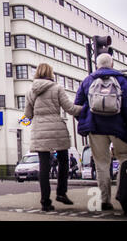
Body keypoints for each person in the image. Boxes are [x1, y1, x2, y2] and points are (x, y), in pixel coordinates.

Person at [74, 53, 127, 211]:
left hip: (95, 128)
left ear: (97, 64)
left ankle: (104, 200)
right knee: (125, 159)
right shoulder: (121, 80)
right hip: (119, 127)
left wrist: (85, 121)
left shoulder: (88, 80)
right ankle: (123, 194)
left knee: (101, 163)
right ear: (112, 64)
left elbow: (77, 106)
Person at [25, 63, 82, 212]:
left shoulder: (30, 91)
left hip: (39, 131)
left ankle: (45, 202)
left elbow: (28, 115)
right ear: (51, 73)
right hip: (56, 129)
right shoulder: (57, 88)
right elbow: (70, 109)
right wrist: (86, 108)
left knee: (44, 166)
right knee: (64, 160)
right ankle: (61, 193)